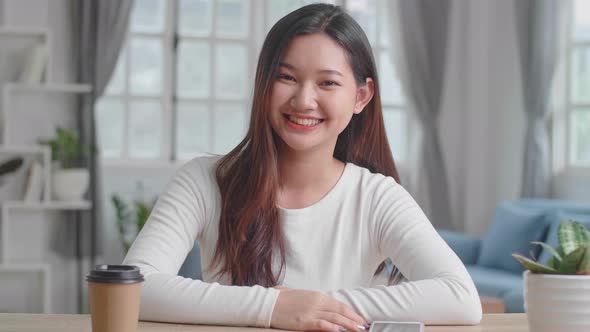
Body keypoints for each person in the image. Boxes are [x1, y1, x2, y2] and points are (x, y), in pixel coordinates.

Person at [123, 3, 482, 332]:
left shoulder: (376, 197)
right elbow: (135, 286)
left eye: (327, 83)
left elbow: (460, 298)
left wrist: (313, 307)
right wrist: (273, 306)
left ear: (361, 96)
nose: (303, 100)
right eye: (287, 78)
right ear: (264, 83)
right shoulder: (204, 181)